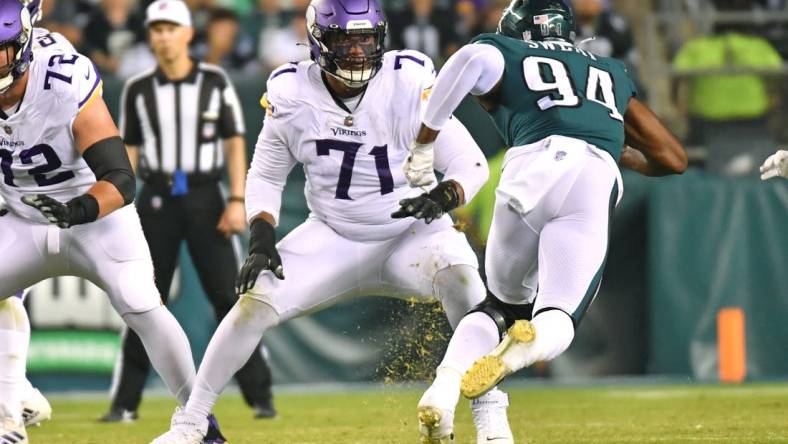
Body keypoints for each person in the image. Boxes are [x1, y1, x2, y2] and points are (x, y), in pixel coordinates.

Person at [150, 0, 518, 442]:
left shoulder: (408, 81)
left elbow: (470, 164)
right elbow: (266, 173)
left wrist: (443, 196)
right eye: (347, 39)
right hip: (332, 234)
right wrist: (262, 234)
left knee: (466, 285)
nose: (360, 51)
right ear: (320, 42)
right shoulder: (291, 92)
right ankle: (192, 423)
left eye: (366, 38)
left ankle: (491, 415)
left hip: (410, 234)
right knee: (253, 302)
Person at [404, 0, 687, 439]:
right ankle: (515, 355)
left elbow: (471, 58)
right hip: (591, 174)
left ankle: (442, 389)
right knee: (558, 315)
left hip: (528, 169)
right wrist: (616, 148)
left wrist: (425, 144)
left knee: (496, 307)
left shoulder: (505, 50)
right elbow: (673, 158)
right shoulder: (608, 69)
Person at [0, 0, 226, 442]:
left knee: (140, 301)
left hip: (93, 216)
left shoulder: (62, 77)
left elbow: (121, 180)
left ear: (22, 45)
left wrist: (77, 210)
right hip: (23, 219)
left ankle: (200, 422)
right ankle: (12, 406)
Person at [100, 0, 275, 423]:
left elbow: (235, 142)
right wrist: (120, 207)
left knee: (229, 297)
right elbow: (130, 154)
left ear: (187, 34)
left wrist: (237, 200)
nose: (162, 37)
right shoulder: (140, 89)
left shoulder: (214, 82)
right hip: (157, 197)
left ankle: (260, 397)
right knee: (143, 301)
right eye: (155, 29)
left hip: (204, 196)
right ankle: (125, 403)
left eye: (169, 28)